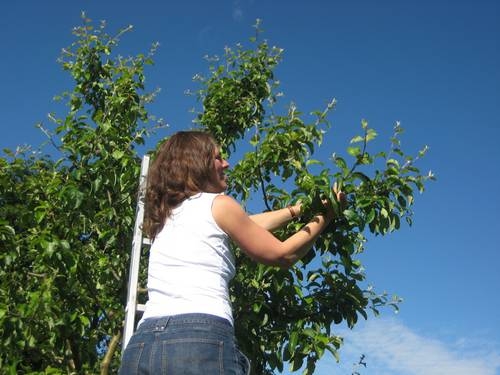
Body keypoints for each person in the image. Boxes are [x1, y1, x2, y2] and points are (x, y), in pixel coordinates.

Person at [119, 130, 345, 375]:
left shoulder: (165, 217)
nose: (226, 163)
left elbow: (246, 224)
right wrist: (327, 215)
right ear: (197, 164)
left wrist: (300, 209)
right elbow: (282, 254)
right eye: (218, 158)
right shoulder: (220, 204)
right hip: (198, 339)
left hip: (141, 345)